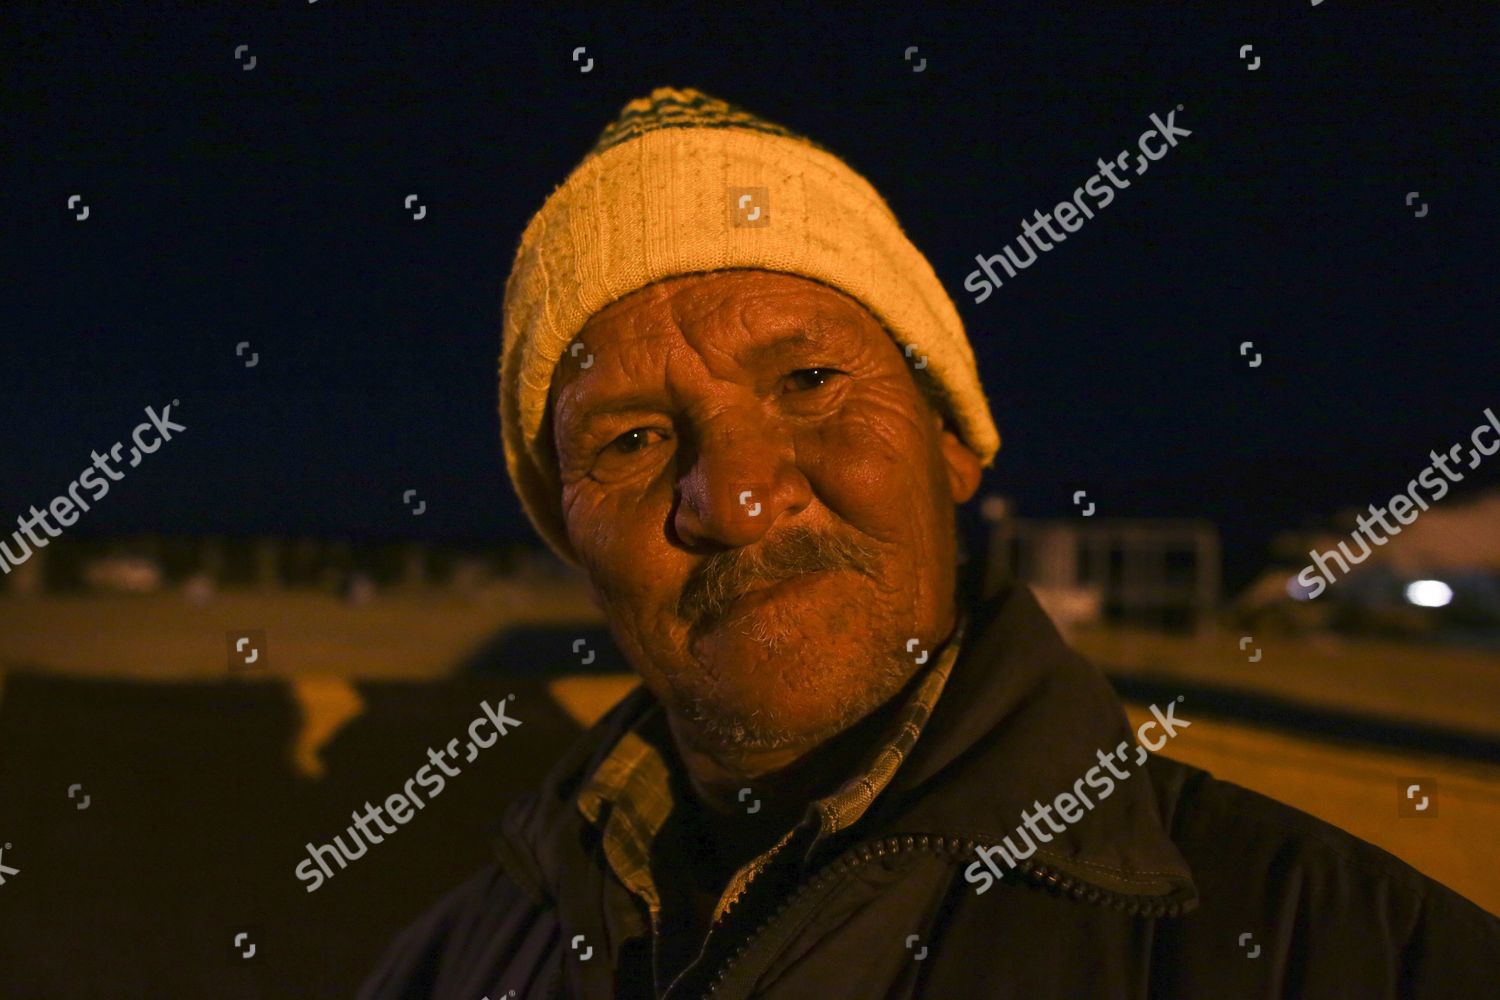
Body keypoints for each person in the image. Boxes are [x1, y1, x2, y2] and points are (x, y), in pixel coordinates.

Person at [359, 87, 1500, 999]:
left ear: (951, 439)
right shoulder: (453, 964)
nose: (739, 499)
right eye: (635, 439)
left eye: (809, 381)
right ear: (571, 530)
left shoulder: (1349, 953)